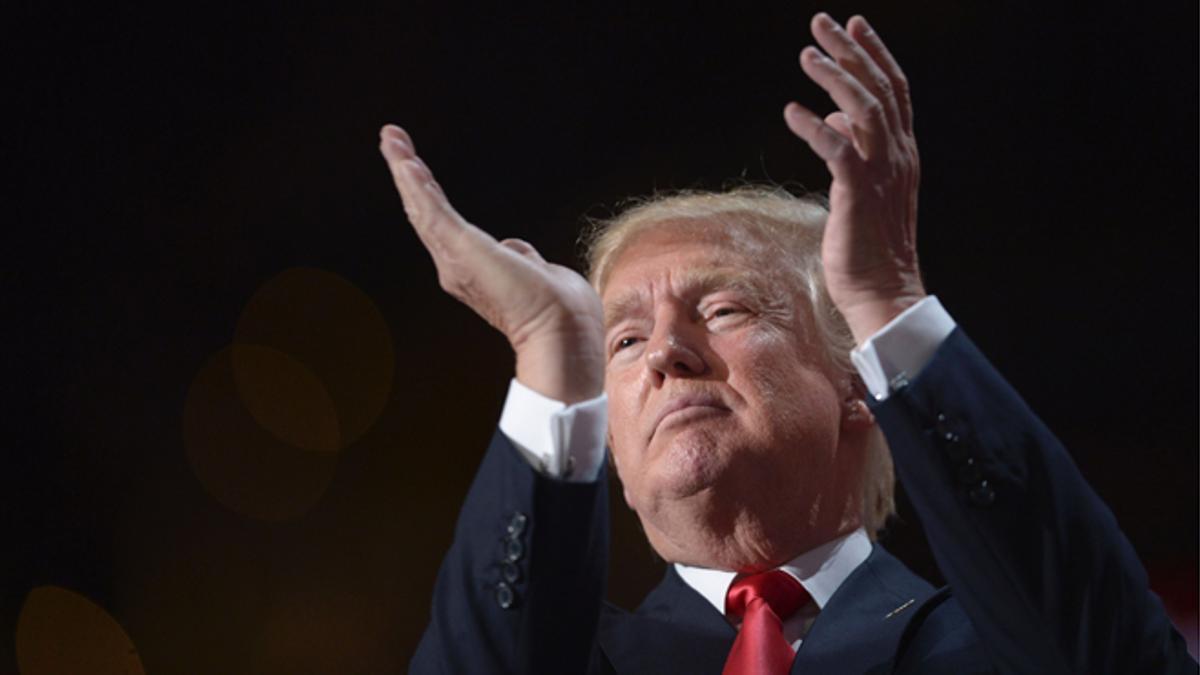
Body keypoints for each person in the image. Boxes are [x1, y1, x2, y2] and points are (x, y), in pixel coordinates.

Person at [380, 13, 1196, 675]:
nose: (667, 352)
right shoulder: (568, 658)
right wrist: (553, 351)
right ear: (616, 460)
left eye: (727, 309)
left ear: (854, 382)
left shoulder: (1002, 643)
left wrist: (889, 299)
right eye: (623, 339)